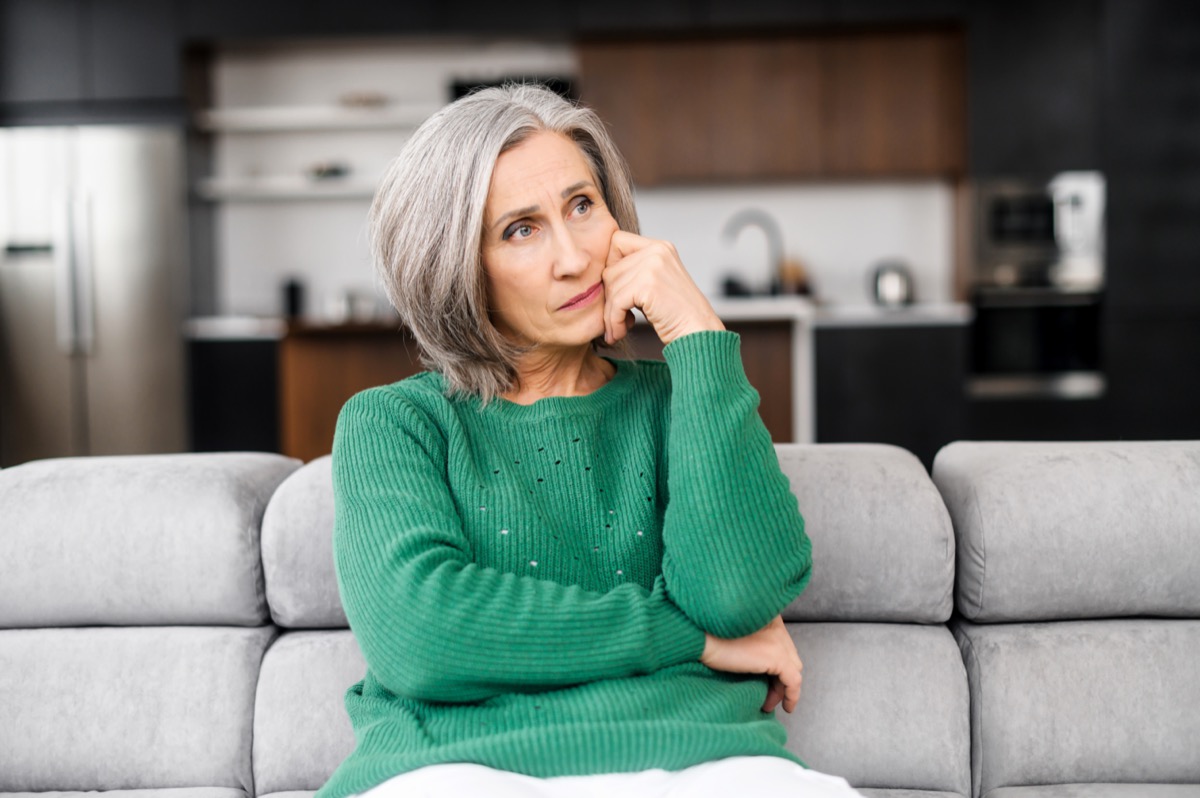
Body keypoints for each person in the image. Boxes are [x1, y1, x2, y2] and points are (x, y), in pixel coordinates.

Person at [318, 83, 863, 798]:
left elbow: (737, 597)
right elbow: (420, 635)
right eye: (521, 229)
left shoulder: (681, 401)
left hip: (700, 762)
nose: (575, 257)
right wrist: (687, 637)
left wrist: (697, 336)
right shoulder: (394, 424)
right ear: (457, 269)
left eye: (582, 205)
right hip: (454, 770)